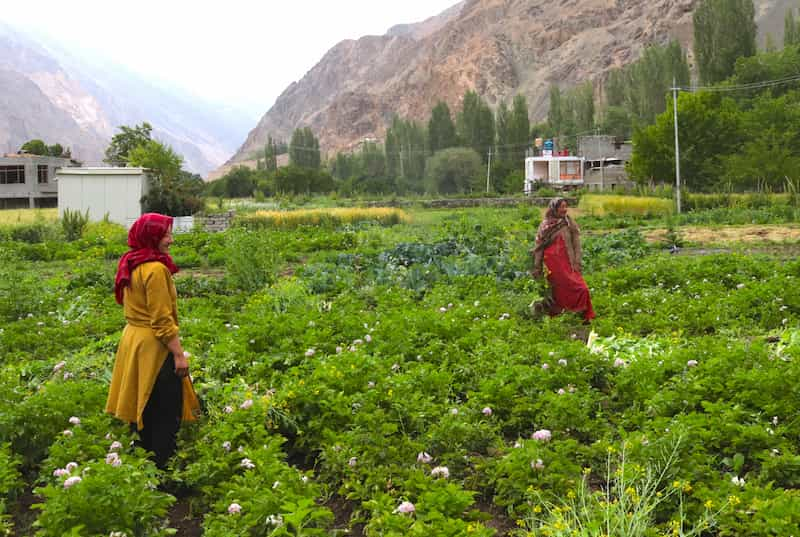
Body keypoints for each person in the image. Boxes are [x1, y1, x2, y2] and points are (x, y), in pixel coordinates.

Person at [106, 213, 200, 468]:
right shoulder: (156, 270)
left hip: (133, 341)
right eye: (165, 234)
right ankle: (162, 471)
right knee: (164, 411)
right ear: (151, 237)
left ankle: (142, 465)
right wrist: (179, 354)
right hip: (153, 347)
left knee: (143, 404)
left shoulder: (132, 262)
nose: (170, 239)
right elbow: (161, 320)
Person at [531, 198, 595, 322]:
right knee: (558, 290)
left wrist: (577, 261)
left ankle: (581, 313)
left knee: (581, 288)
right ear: (554, 208)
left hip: (568, 263)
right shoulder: (545, 225)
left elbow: (576, 245)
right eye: (561, 207)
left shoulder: (569, 223)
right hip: (552, 265)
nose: (564, 209)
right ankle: (562, 314)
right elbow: (539, 247)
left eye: (566, 206)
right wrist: (537, 267)